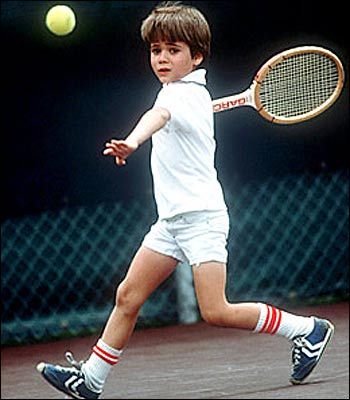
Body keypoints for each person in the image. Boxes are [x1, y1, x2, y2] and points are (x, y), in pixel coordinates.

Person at [37, 2, 334, 399]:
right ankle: (91, 379)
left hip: (203, 219)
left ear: (196, 56)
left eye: (173, 50)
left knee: (216, 311)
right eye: (156, 50)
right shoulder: (189, 96)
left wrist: (133, 141)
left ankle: (307, 330)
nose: (162, 58)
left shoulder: (175, 98)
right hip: (172, 223)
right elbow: (165, 114)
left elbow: (155, 117)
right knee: (128, 295)